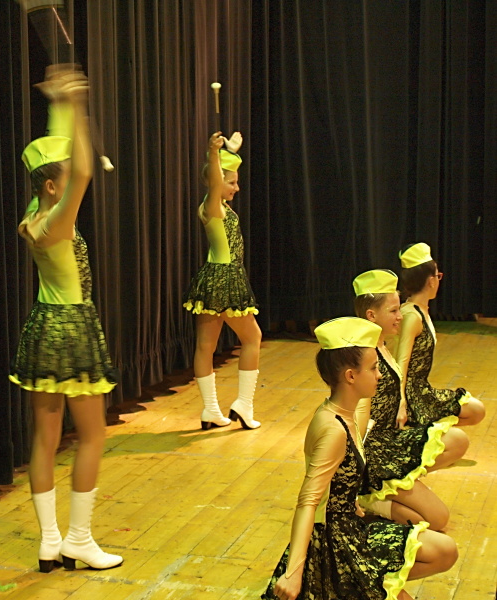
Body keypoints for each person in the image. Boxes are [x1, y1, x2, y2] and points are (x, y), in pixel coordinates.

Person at [9, 66, 122, 572]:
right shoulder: (58, 220)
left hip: (41, 329)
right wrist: (77, 104)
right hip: (72, 330)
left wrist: (60, 103)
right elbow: (82, 173)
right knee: (93, 436)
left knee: (45, 439)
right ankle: (78, 539)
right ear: (53, 185)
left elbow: (61, 162)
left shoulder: (34, 213)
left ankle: (49, 542)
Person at [261, 317, 458, 600]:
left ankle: (368, 584)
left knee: (445, 550)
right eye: (374, 368)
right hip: (334, 544)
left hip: (350, 527)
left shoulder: (346, 414)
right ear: (351, 376)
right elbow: (307, 502)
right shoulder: (333, 429)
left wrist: (348, 498)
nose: (380, 375)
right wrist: (293, 572)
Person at [353, 269, 469, 530]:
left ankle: (396, 488)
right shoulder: (365, 356)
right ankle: (371, 498)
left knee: (458, 440)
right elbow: (357, 422)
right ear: (371, 315)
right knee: (437, 519)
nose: (400, 315)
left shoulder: (382, 344)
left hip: (390, 440)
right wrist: (352, 478)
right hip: (375, 455)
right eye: (393, 311)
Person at [183, 131, 262, 430]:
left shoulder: (218, 206)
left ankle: (211, 410)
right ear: (216, 181)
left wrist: (230, 151)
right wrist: (214, 153)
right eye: (232, 182)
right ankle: (244, 404)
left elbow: (220, 181)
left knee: (206, 346)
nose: (236, 187)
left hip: (213, 279)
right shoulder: (213, 205)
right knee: (252, 338)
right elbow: (217, 183)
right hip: (225, 278)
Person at [395, 243, 485, 427]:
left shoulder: (419, 310)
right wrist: (401, 402)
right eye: (438, 276)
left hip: (422, 390)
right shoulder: (412, 315)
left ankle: (430, 430)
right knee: (472, 414)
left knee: (477, 410)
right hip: (412, 396)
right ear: (431, 281)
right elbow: (401, 363)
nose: (438, 280)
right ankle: (424, 430)